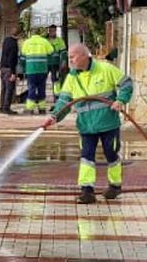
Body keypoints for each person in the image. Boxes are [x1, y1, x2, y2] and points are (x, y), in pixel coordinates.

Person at [42, 43, 134, 204]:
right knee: (86, 157)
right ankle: (87, 190)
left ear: (84, 55)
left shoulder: (105, 69)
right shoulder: (72, 77)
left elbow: (126, 83)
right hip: (86, 125)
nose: (70, 60)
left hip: (108, 123)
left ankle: (115, 186)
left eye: (73, 57)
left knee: (111, 154)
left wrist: (121, 100)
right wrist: (55, 116)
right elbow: (64, 101)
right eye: (69, 57)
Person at [19, 27, 54, 114]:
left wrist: (23, 68)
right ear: (40, 33)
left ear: (31, 33)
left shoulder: (27, 42)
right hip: (42, 69)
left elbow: (22, 58)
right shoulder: (44, 42)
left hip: (30, 70)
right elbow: (51, 52)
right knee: (42, 88)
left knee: (32, 87)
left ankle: (30, 108)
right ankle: (42, 108)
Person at [0, 27, 20, 115]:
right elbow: (12, 59)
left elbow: (3, 55)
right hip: (9, 69)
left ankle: (2, 107)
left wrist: (0, 68)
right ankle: (6, 108)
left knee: (3, 89)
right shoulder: (14, 44)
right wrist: (13, 73)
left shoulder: (6, 41)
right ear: (19, 35)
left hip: (3, 67)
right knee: (9, 89)